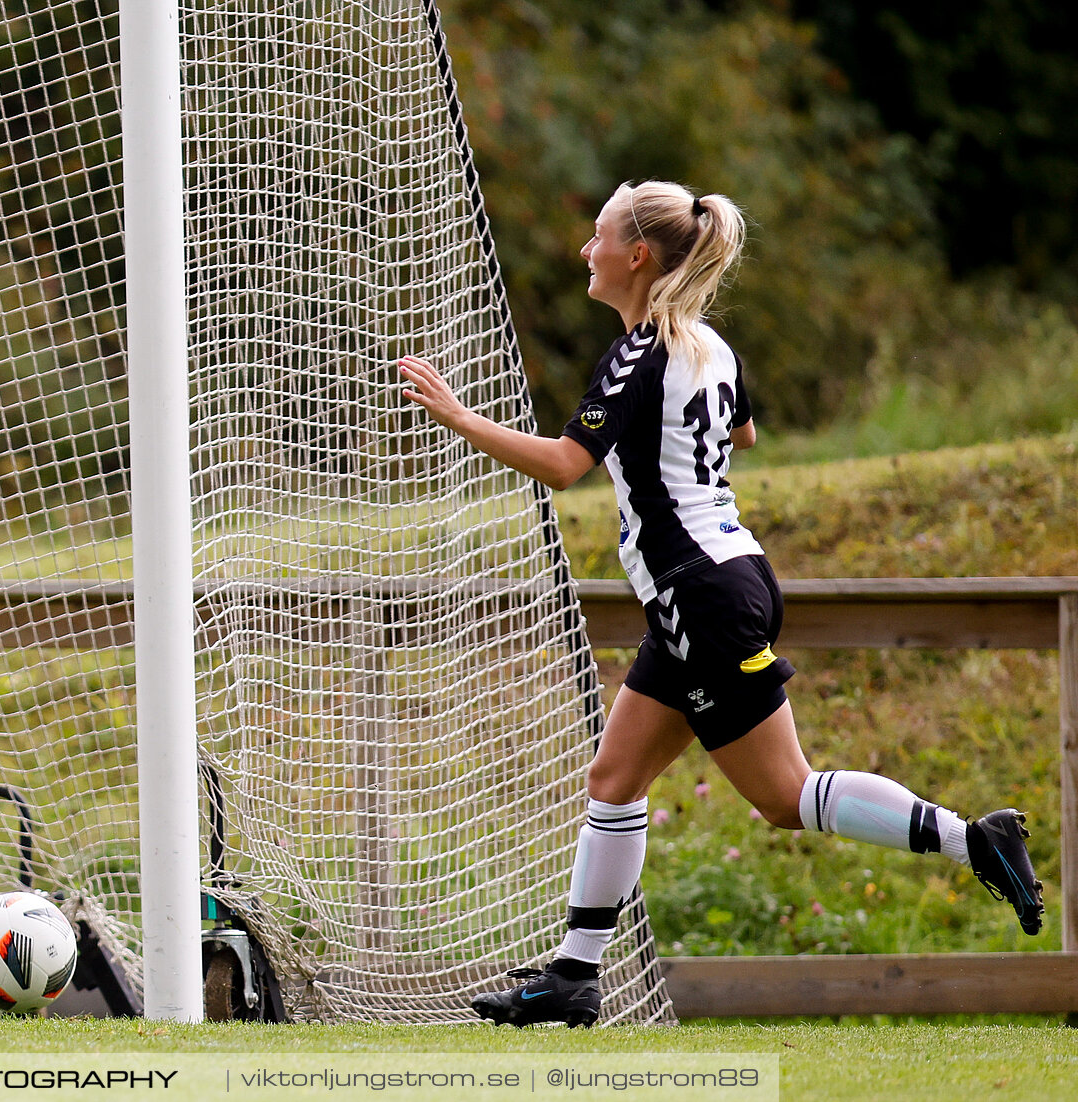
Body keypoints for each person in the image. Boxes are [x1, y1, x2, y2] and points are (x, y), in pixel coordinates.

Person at [398, 180, 1044, 1029]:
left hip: (701, 596)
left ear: (635, 257)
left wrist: (456, 415)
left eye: (597, 239)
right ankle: (573, 977)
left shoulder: (641, 353)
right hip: (716, 585)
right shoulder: (709, 346)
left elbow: (563, 465)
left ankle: (976, 839)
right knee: (615, 775)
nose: (584, 253)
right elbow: (740, 433)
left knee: (784, 796)